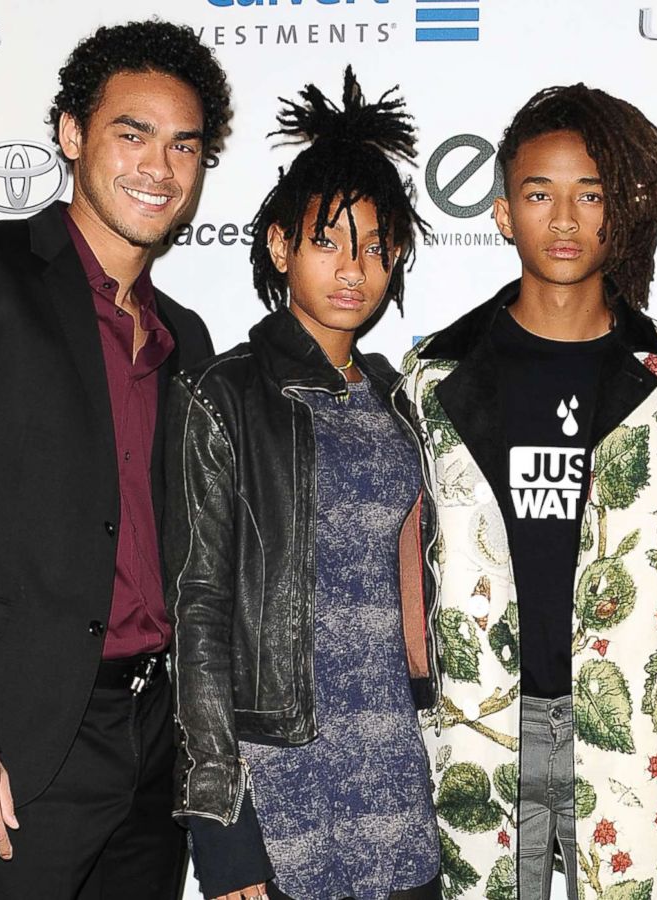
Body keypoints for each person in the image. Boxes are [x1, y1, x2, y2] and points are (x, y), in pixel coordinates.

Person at [0, 20, 227, 899]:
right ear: (71, 134)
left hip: (156, 743)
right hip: (21, 739)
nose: (158, 168)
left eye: (184, 146)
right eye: (130, 134)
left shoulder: (190, 339)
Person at [398, 84, 657, 899]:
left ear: (621, 210)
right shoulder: (436, 373)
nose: (567, 219)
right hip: (477, 728)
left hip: (633, 740)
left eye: (592, 194)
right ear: (505, 212)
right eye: (541, 194)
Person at [165, 68, 441, 900]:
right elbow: (199, 610)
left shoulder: (400, 396)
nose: (354, 268)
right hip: (280, 793)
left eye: (375, 245)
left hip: (396, 775)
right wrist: (223, 833)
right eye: (328, 240)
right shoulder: (228, 395)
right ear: (281, 246)